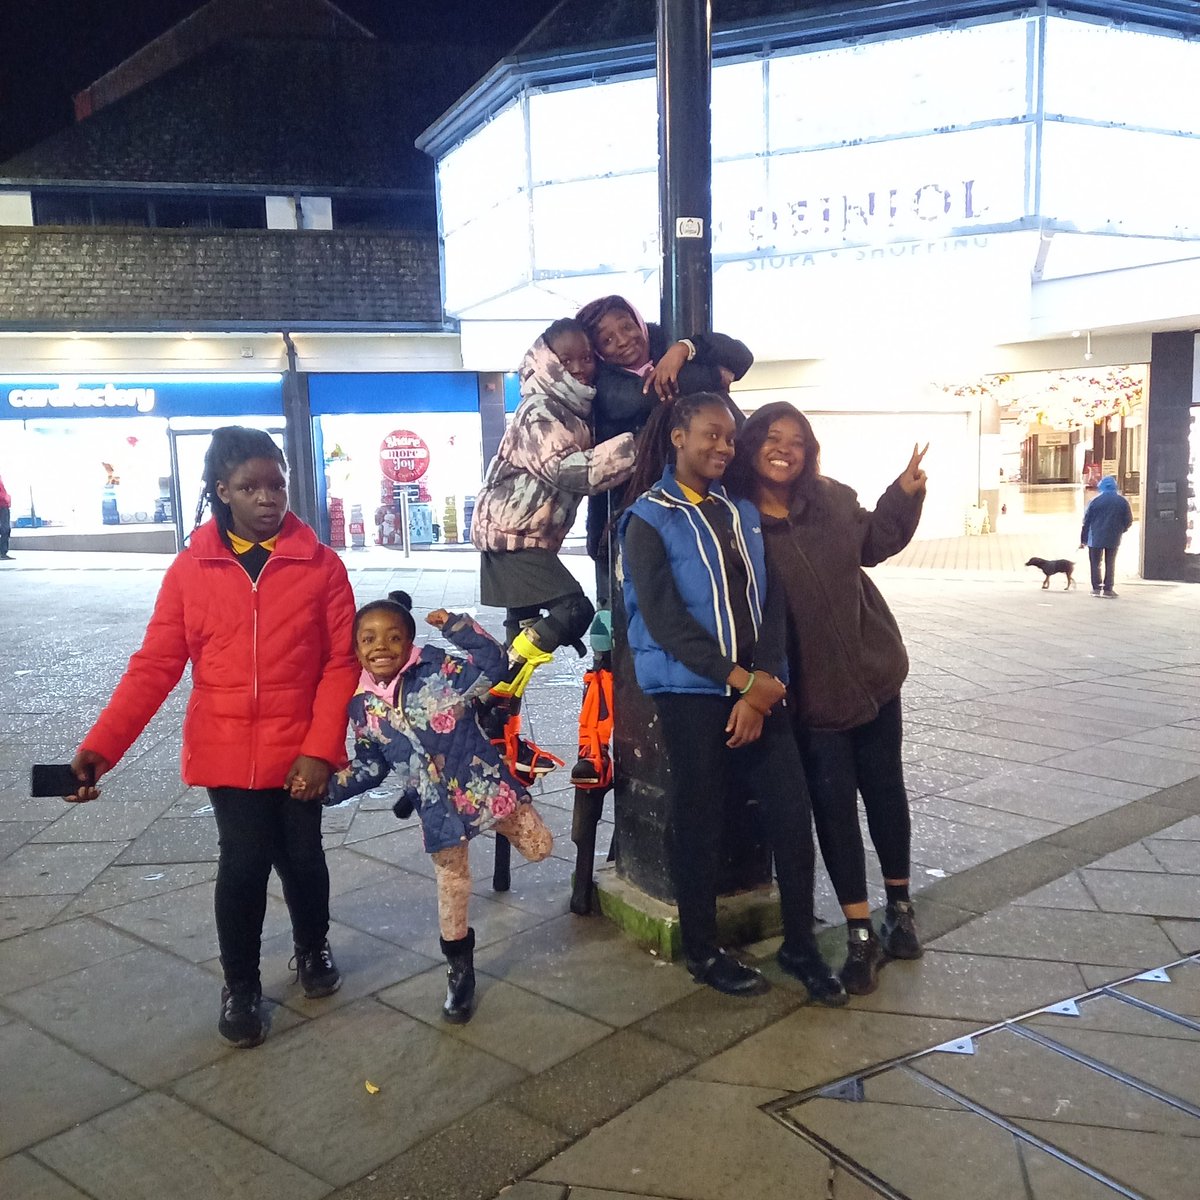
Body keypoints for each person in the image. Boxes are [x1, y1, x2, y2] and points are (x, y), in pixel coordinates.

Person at [63, 427, 359, 1049]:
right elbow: (156, 664)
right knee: (244, 864)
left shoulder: (321, 565)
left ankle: (311, 947)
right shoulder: (192, 569)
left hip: (301, 750)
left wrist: (320, 749)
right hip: (226, 752)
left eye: (276, 484)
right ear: (222, 491)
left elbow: (341, 664)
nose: (267, 498)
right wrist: (102, 747)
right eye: (250, 487)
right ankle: (242, 986)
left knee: (304, 859)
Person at [618, 392, 844, 1003]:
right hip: (691, 692)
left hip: (757, 690)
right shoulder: (648, 517)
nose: (723, 447)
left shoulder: (739, 511)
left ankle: (800, 943)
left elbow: (768, 603)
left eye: (729, 439)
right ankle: (702, 949)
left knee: (792, 815)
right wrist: (738, 681)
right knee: (700, 816)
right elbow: (664, 618)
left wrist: (761, 684)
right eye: (710, 436)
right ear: (678, 437)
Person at [724, 402, 927, 996]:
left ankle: (901, 909)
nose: (784, 448)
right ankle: (860, 932)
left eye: (797, 440)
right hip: (810, 697)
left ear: (810, 451)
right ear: (751, 445)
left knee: (886, 792)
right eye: (771, 437)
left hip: (873, 670)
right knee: (834, 810)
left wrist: (904, 493)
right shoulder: (736, 523)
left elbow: (875, 541)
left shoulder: (833, 499)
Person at [323, 591, 554, 1024]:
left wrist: (456, 628)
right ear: (355, 648)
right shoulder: (362, 707)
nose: (381, 648)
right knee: (452, 888)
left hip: (485, 790)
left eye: (393, 638)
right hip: (438, 814)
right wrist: (327, 788)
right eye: (368, 639)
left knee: (540, 847)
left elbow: (496, 666)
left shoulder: (439, 670)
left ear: (410, 643)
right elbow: (371, 766)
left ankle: (507, 832)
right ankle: (460, 970)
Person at [470, 318, 637, 779]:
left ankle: (503, 740)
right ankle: (491, 691)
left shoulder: (570, 409)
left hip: (524, 535)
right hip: (513, 535)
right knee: (574, 610)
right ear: (548, 361)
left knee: (520, 632)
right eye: (570, 359)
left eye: (588, 358)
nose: (582, 368)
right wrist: (637, 446)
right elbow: (571, 471)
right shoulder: (541, 410)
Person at [575, 295, 753, 603]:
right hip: (640, 502)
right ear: (597, 353)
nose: (622, 341)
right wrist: (711, 376)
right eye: (606, 339)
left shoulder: (669, 342)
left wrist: (684, 347)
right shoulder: (604, 385)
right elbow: (644, 395)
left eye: (627, 326)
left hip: (712, 489)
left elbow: (741, 356)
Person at [1080, 475, 1133, 597]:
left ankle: (1096, 588)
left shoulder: (1094, 501)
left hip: (1095, 537)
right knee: (1110, 563)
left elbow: (1086, 521)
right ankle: (1108, 589)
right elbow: (1128, 520)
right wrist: (1121, 530)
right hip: (1113, 537)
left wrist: (1083, 539)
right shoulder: (1122, 501)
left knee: (1095, 563)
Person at [0, 471, 11, 560]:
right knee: (5, 529)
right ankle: (2, 552)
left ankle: (3, 552)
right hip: (2, 506)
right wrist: (6, 498)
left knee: (5, 529)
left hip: (4, 505)